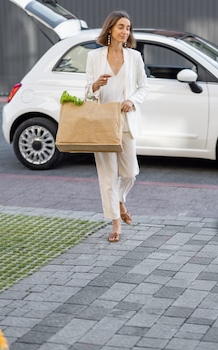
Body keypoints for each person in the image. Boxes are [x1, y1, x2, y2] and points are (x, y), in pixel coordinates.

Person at [85, 10, 149, 243]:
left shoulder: (134, 57)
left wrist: (132, 101)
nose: (125, 31)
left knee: (130, 172)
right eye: (121, 26)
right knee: (108, 176)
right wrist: (95, 85)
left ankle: (120, 200)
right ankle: (115, 222)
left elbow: (144, 87)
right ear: (110, 28)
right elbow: (86, 92)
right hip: (102, 123)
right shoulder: (95, 57)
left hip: (126, 122)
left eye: (128, 28)